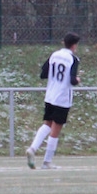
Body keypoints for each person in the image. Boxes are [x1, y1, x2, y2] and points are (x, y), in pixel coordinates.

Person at [25, 32, 81, 170]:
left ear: (64, 43)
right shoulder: (73, 59)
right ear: (74, 45)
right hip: (62, 98)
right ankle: (47, 162)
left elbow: (43, 74)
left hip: (50, 95)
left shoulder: (54, 55)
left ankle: (33, 148)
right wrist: (78, 79)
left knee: (47, 124)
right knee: (55, 129)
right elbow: (72, 80)